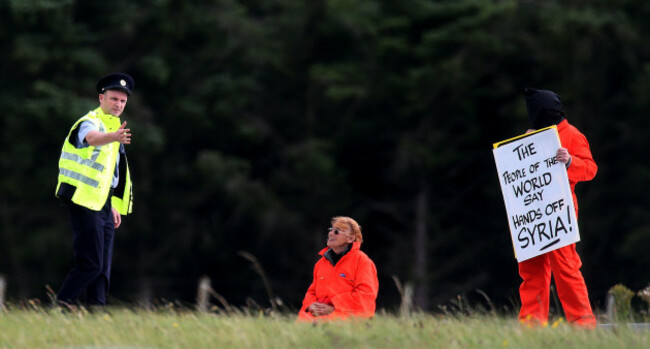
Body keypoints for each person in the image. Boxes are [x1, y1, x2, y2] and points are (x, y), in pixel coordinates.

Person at [519, 88, 597, 328]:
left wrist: (570, 161)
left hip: (559, 213)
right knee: (531, 267)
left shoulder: (572, 135)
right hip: (532, 214)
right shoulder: (532, 136)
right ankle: (531, 323)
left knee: (566, 267)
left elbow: (590, 169)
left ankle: (582, 322)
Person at [55, 73, 135, 308]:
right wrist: (113, 137)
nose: (118, 104)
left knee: (103, 267)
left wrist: (112, 205)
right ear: (101, 98)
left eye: (122, 101)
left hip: (102, 204)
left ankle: (96, 312)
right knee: (90, 264)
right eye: (113, 99)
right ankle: (61, 305)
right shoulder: (90, 122)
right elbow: (90, 139)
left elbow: (109, 174)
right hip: (82, 200)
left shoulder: (115, 128)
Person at [298, 216, 379, 321]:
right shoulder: (320, 263)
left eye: (337, 231)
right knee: (299, 322)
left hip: (349, 316)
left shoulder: (363, 262)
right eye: (331, 230)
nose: (331, 233)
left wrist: (335, 307)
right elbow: (312, 292)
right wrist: (310, 305)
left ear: (350, 238)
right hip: (319, 315)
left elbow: (366, 296)